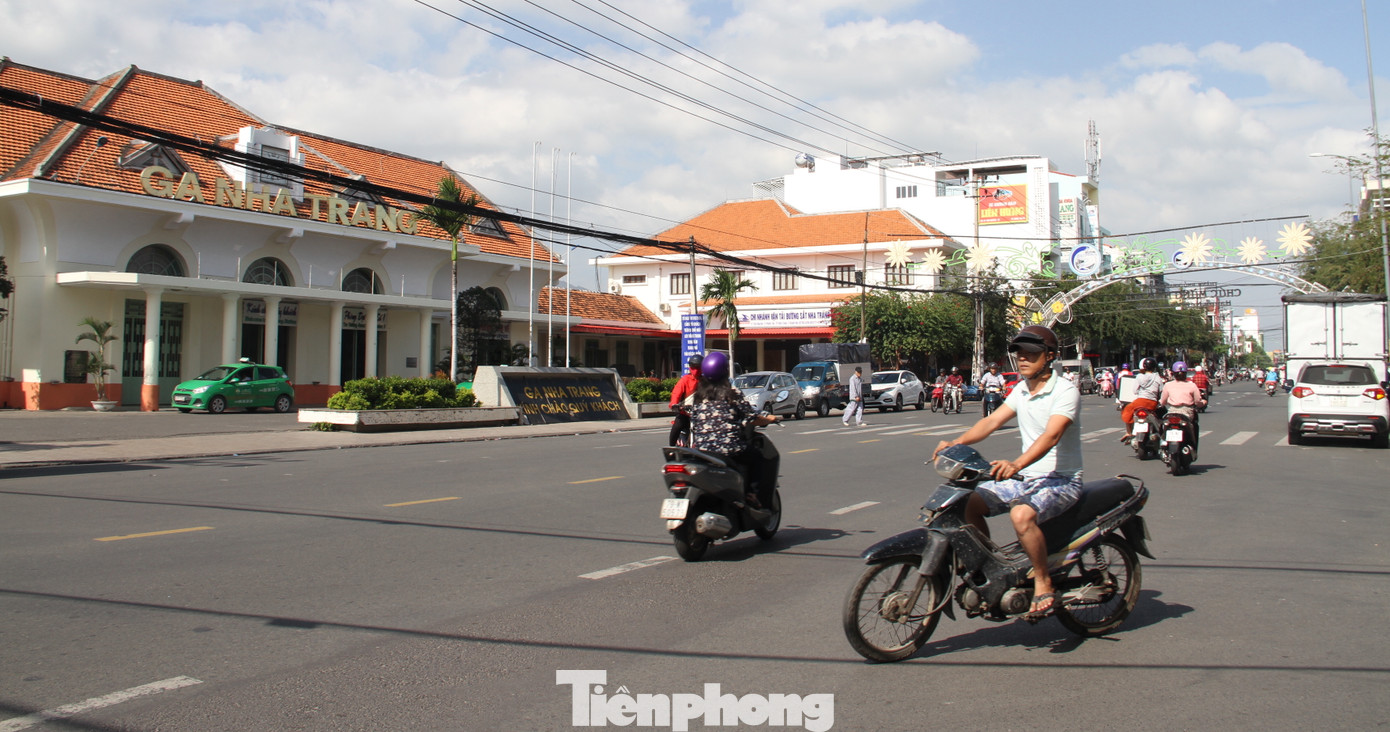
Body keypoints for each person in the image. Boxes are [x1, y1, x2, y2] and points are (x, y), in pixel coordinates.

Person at [932, 325, 1082, 620]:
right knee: (966, 504)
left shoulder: (1065, 391)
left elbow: (1051, 436)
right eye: (1019, 353)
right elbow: (992, 422)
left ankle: (1043, 581)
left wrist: (1016, 464)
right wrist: (956, 442)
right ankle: (991, 566)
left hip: (1061, 480)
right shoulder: (1021, 391)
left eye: (1031, 353)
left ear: (1049, 356)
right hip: (1026, 478)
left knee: (1021, 515)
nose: (1023, 359)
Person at [689, 351, 781, 505]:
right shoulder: (732, 394)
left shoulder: (698, 397)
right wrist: (769, 418)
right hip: (729, 449)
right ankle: (752, 494)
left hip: (702, 451)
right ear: (725, 372)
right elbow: (752, 418)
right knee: (757, 458)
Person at [1160, 360, 1206, 449]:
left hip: (1171, 412)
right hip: (1187, 412)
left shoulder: (1168, 385)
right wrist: (1203, 403)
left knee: (1163, 425)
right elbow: (1197, 402)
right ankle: (1193, 445)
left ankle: (1163, 441)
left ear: (1173, 373)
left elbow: (1163, 402)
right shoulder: (1192, 385)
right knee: (1194, 426)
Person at [1120, 358, 1163, 444]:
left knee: (1127, 410)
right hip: (1152, 403)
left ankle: (1128, 432)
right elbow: (1161, 391)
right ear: (1154, 367)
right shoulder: (1158, 378)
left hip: (1140, 402)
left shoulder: (1139, 377)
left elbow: (1134, 391)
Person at [667, 354, 702, 446]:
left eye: (698, 367)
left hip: (701, 414)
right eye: (694, 367)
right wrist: (674, 404)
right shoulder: (685, 380)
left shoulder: (706, 381)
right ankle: (672, 448)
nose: (696, 370)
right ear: (690, 368)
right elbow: (676, 393)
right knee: (677, 426)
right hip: (685, 413)